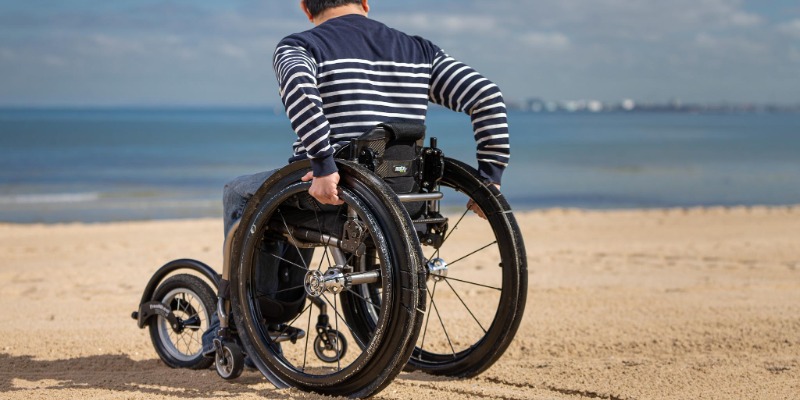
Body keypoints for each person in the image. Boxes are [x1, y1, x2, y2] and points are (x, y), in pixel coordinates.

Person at [207, 0, 510, 356]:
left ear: (307, 8)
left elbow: (301, 94)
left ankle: (241, 320)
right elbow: (487, 95)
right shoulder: (418, 51)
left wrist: (322, 163)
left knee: (239, 192)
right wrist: (489, 179)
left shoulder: (301, 46)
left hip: (335, 193)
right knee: (280, 191)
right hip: (401, 195)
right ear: (365, 3)